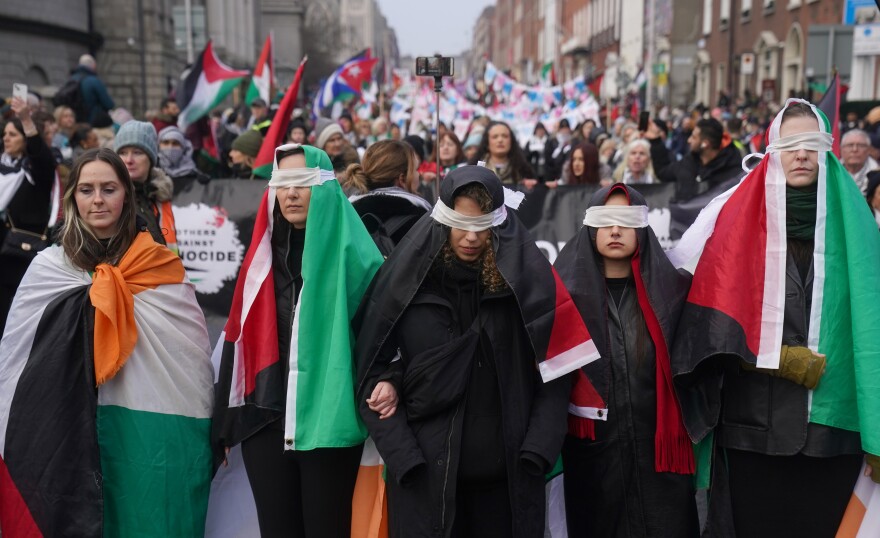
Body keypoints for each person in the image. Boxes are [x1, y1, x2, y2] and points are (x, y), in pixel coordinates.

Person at [668, 99, 880, 537]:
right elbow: (702, 330)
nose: (801, 153)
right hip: (754, 435)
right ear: (771, 153)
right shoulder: (730, 224)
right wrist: (773, 357)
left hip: (834, 437)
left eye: (811, 143)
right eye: (790, 144)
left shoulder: (860, 229)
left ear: (828, 152)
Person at [355, 166, 597, 537]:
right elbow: (371, 371)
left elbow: (558, 372)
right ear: (442, 223)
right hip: (425, 487)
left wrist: (537, 451)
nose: (470, 237)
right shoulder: (407, 289)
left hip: (508, 487)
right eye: (461, 224)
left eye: (481, 226)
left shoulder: (526, 293)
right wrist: (404, 458)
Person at [0, 147, 214, 535]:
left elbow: (191, 360)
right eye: (86, 190)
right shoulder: (48, 269)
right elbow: (16, 360)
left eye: (109, 188)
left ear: (127, 196)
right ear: (72, 199)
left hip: (145, 427)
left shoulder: (160, 265)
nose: (97, 199)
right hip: (63, 427)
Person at [213, 144, 384, 537]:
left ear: (322, 188)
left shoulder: (361, 257)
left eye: (302, 183)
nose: (290, 193)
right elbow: (237, 337)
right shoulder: (260, 260)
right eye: (282, 183)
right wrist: (224, 423)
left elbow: (381, 340)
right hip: (266, 419)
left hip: (329, 421)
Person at [555, 183, 699, 537]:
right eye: (606, 221)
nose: (616, 230)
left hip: (662, 462)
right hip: (592, 462)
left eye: (625, 221)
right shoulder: (560, 300)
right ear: (590, 229)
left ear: (643, 230)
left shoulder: (677, 294)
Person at [0, 96, 58, 336]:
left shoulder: (37, 173)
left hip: (21, 258)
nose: (6, 139)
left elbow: (41, 156)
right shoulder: (4, 168)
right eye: (4, 134)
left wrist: (25, 118)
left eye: (12, 135)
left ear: (26, 140)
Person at [345, 139, 431, 255]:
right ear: (402, 179)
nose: (418, 174)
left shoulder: (348, 212)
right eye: (415, 170)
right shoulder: (421, 219)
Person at [113, 120, 176, 250]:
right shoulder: (110, 197)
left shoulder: (160, 194)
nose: (129, 160)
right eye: (123, 153)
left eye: (137, 152)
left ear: (151, 158)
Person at [646, 117, 742, 202]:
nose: (689, 140)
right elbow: (663, 172)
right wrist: (655, 141)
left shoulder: (734, 175)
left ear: (705, 144)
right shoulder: (688, 162)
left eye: (694, 137)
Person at [468, 121, 536, 187]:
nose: (500, 140)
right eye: (495, 137)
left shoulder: (524, 170)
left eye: (505, 136)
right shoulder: (475, 169)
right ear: (487, 143)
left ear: (511, 141)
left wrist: (529, 187)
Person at [158, 125, 209, 193]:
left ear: (183, 147)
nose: (170, 147)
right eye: (166, 143)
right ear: (159, 145)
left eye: (175, 143)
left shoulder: (192, 171)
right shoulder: (153, 168)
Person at [70, 54, 115, 128]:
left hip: (77, 125)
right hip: (93, 124)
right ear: (93, 65)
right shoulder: (93, 81)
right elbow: (109, 104)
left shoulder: (72, 79)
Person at [840, 129, 878, 194]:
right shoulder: (829, 172)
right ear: (841, 149)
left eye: (861, 145)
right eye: (850, 145)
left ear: (868, 150)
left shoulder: (877, 175)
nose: (855, 149)